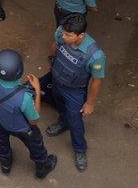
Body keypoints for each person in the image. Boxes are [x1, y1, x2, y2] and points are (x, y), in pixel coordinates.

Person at [0, 49, 57, 179]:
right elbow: (34, 120)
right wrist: (37, 89)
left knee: (0, 141)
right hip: (21, 128)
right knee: (35, 144)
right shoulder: (24, 97)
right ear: (19, 71)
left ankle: (5, 164)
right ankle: (42, 167)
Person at [45, 14, 106, 172]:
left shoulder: (95, 55)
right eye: (64, 33)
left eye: (69, 35)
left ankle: (80, 150)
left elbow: (96, 81)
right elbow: (54, 46)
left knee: (76, 122)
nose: (63, 36)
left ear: (81, 35)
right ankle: (63, 123)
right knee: (60, 106)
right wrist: (51, 61)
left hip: (74, 91)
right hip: (57, 82)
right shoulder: (61, 33)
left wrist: (90, 103)